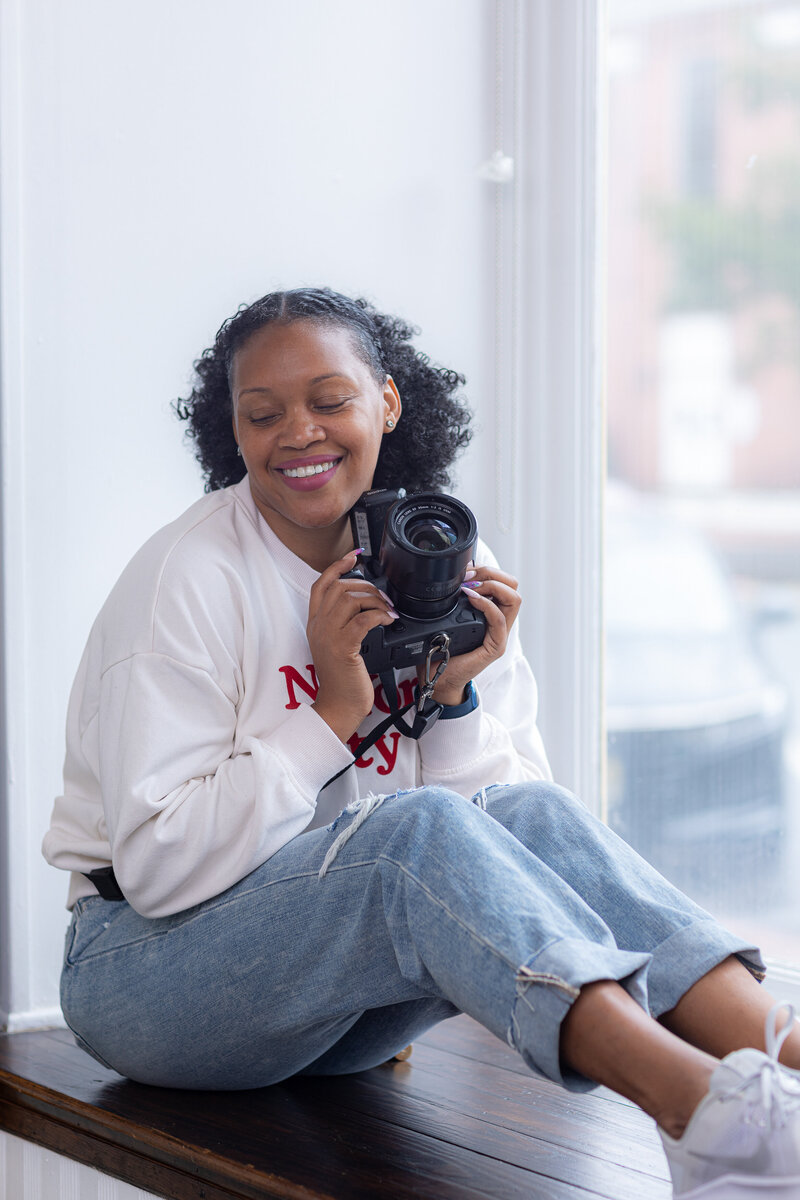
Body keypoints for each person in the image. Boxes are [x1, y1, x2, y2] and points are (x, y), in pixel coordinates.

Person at [43, 287, 800, 1199]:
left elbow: (520, 847)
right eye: (263, 414)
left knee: (526, 810)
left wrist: (452, 694)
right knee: (414, 832)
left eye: (330, 401)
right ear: (233, 432)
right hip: (145, 979)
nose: (300, 434)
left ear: (387, 404)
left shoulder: (435, 562)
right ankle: (709, 1116)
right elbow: (158, 872)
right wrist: (330, 713)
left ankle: (783, 1061)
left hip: (337, 1006)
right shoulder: (189, 579)